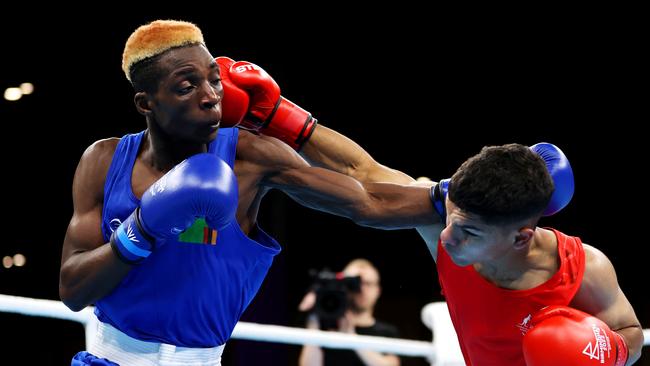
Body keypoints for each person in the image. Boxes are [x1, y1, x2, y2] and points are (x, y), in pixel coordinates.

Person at [58, 20, 438, 365]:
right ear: (146, 103)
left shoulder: (251, 157)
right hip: (107, 359)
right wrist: (139, 231)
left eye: (215, 80)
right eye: (187, 86)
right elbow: (73, 290)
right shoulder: (105, 160)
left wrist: (448, 197)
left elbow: (366, 199)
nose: (211, 96)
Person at [219, 62, 645, 365]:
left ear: (521, 236)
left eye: (469, 234)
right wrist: (277, 117)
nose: (446, 239)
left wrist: (605, 350)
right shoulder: (440, 215)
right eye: (451, 220)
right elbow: (362, 176)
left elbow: (630, 333)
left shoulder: (584, 267)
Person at [298, 259, 401, 366]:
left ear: (378, 290)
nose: (361, 289)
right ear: (342, 284)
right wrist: (314, 319)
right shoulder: (323, 328)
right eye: (354, 283)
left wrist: (351, 337)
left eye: (368, 283)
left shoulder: (387, 332)